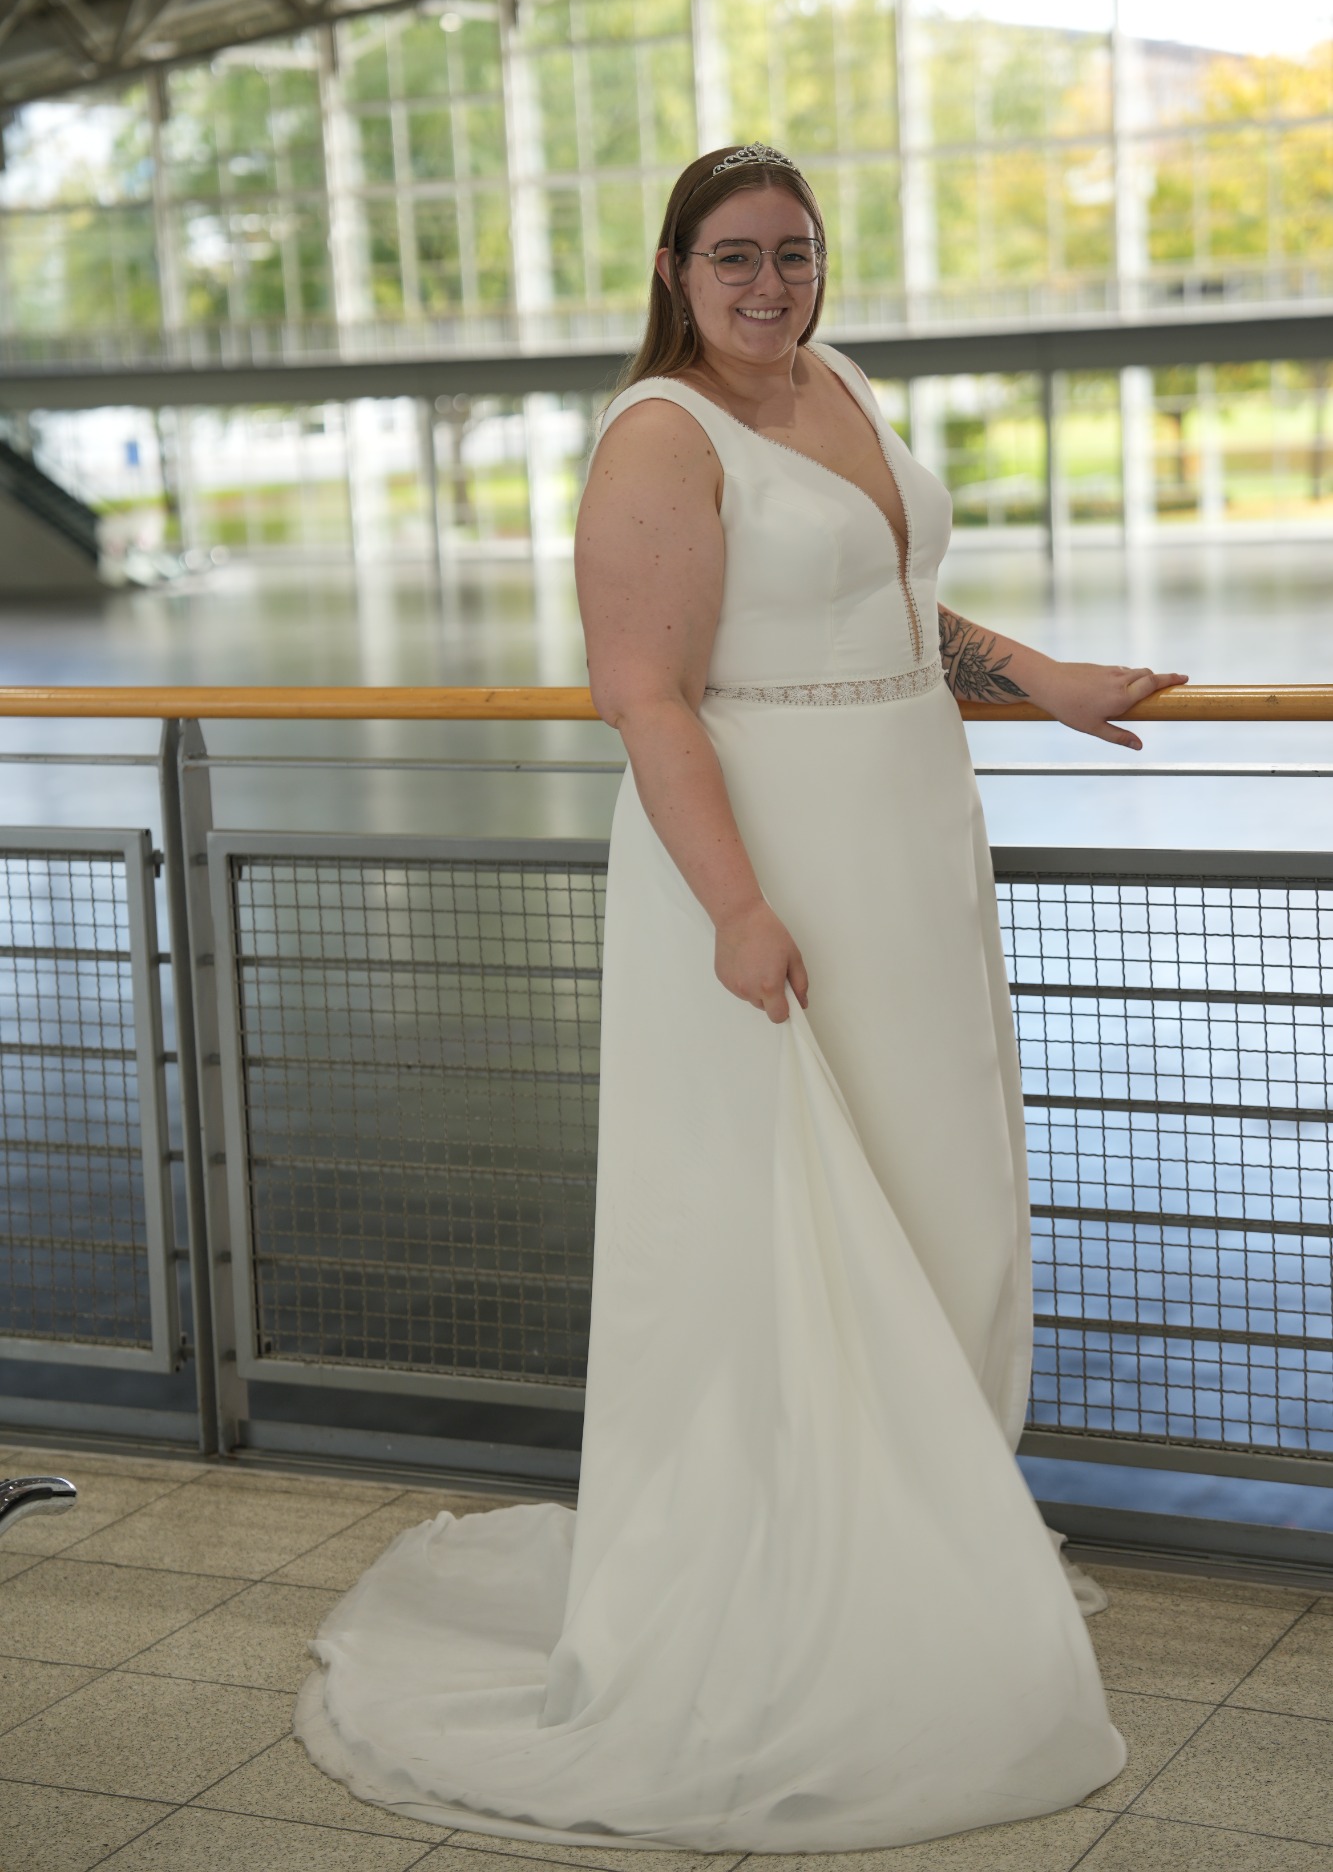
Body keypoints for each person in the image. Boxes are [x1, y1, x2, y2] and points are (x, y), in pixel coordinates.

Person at [295, 143, 1188, 1851]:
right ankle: (794, 1601)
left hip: (910, 847)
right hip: (763, 864)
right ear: (674, 271)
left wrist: (1041, 676)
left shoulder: (834, 380)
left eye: (793, 252)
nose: (771, 285)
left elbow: (887, 603)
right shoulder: (660, 434)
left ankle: (929, 1563)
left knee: (940, 1209)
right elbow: (644, 692)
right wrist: (735, 907)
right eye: (733, 258)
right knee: (774, 1229)